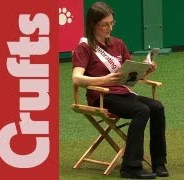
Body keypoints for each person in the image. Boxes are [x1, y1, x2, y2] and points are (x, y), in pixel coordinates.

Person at [72, 1, 169, 179]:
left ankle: (159, 163)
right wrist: (105, 80)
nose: (109, 28)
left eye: (112, 23)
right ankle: (131, 167)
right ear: (93, 24)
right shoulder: (84, 48)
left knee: (157, 107)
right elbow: (76, 78)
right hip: (102, 97)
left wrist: (145, 70)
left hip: (123, 93)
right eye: (105, 24)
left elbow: (129, 77)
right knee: (142, 110)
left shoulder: (118, 44)